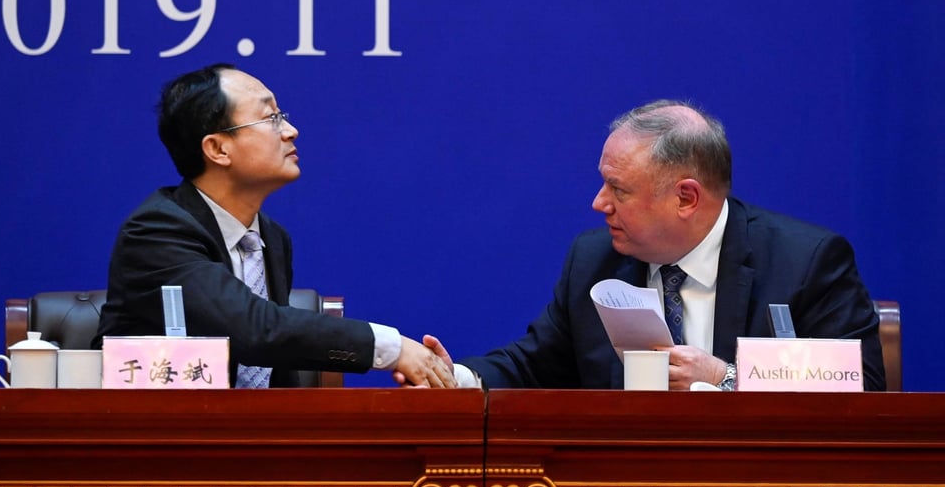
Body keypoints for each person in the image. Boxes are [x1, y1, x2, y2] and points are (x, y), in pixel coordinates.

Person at [417, 100, 885, 391]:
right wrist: (454, 378)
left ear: (685, 198)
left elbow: (859, 389)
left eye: (619, 190)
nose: (599, 203)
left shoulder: (804, 262)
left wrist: (726, 381)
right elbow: (535, 366)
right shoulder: (595, 262)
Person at [93, 63, 455, 389]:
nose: (291, 131)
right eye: (272, 118)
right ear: (218, 149)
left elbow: (274, 364)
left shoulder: (270, 238)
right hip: (160, 445)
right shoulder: (157, 230)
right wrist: (390, 348)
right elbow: (254, 329)